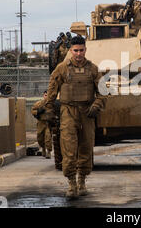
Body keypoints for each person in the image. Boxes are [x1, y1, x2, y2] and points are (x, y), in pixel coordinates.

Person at [45, 35, 105, 200]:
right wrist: (49, 108)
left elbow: (103, 92)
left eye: (81, 50)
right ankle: (71, 183)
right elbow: (52, 90)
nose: (79, 53)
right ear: (71, 50)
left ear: (85, 49)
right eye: (76, 50)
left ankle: (82, 182)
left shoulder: (93, 69)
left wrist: (96, 105)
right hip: (68, 111)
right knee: (69, 149)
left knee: (86, 148)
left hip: (87, 113)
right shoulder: (62, 68)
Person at [31, 91, 52, 159]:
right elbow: (33, 111)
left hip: (48, 123)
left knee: (48, 137)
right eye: (45, 95)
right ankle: (43, 148)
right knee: (40, 137)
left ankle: (48, 151)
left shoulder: (51, 104)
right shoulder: (39, 103)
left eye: (48, 95)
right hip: (41, 122)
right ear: (43, 96)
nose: (46, 96)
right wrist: (38, 112)